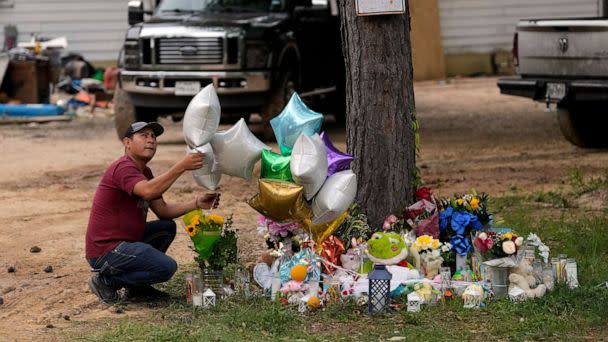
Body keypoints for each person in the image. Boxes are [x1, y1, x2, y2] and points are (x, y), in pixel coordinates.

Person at [85, 121, 220, 303]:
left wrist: (196, 203)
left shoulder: (144, 172)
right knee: (166, 267)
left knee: (166, 227)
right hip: (107, 250)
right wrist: (181, 166)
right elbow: (148, 191)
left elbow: (163, 210)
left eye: (153, 136)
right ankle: (107, 281)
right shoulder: (123, 167)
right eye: (144, 135)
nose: (150, 140)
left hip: (126, 243)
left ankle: (137, 289)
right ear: (127, 143)